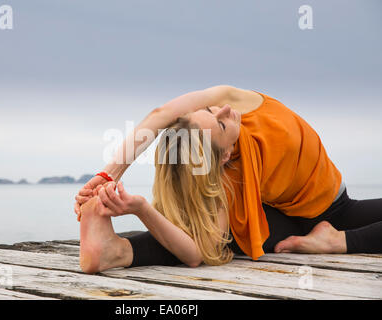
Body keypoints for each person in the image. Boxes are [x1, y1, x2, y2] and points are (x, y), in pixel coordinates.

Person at [74, 85, 382, 274]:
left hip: (329, 209)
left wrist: (108, 174)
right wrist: (141, 207)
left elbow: (161, 113)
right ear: (223, 157)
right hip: (299, 218)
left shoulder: (239, 101)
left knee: (220, 235)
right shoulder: (229, 176)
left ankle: (338, 240)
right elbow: (198, 252)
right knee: (215, 237)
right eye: (220, 125)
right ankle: (115, 251)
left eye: (209, 110)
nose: (224, 110)